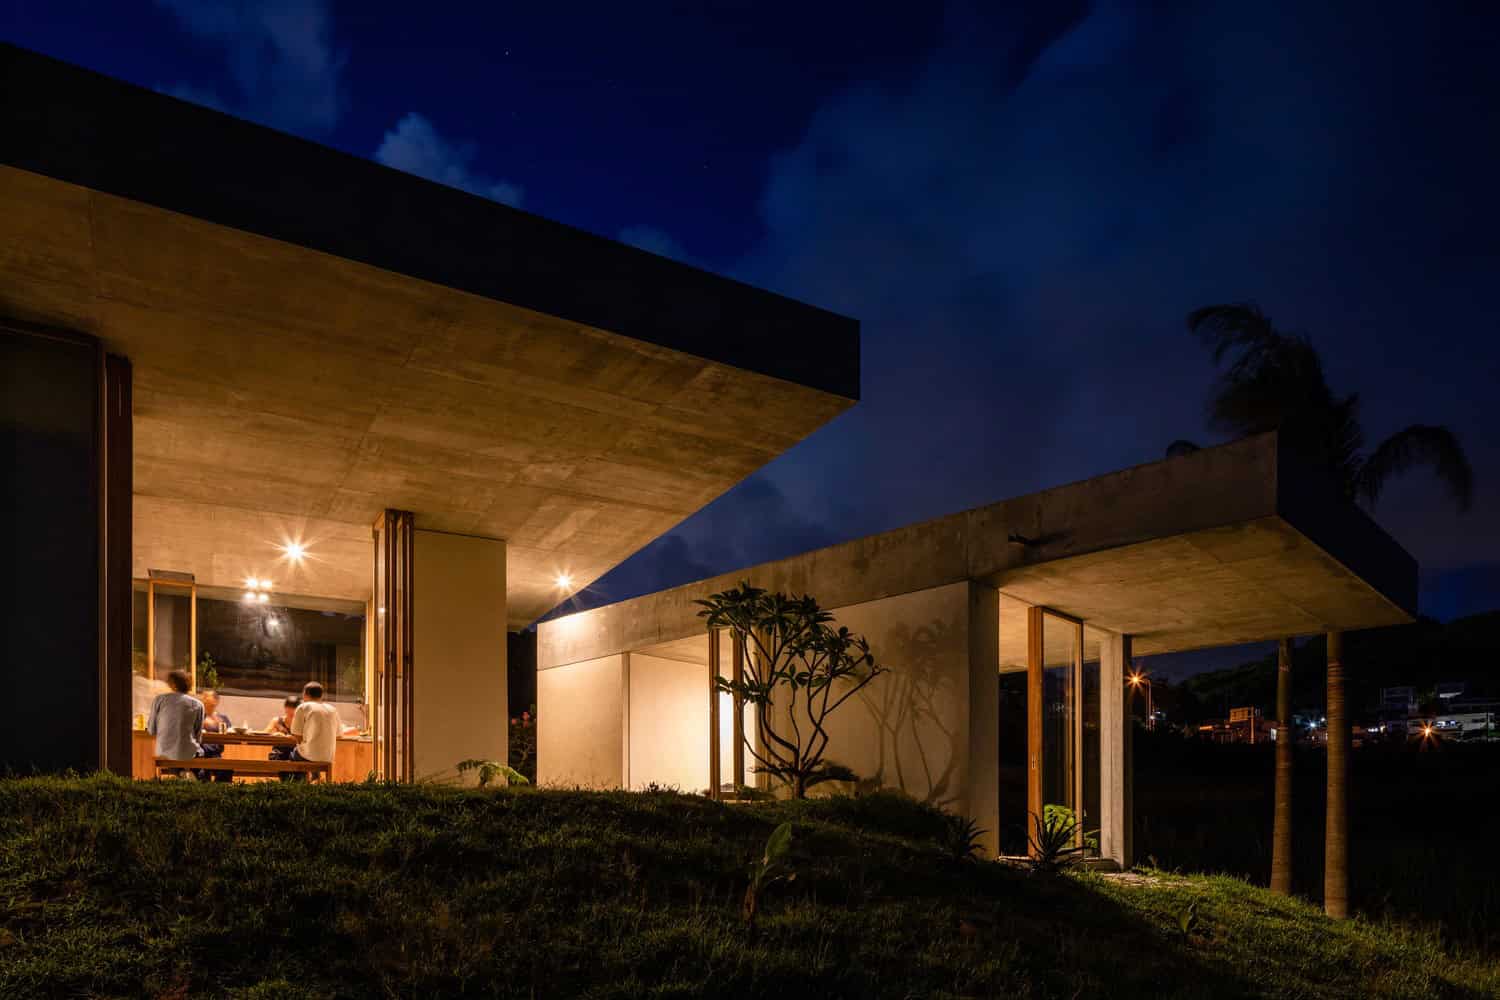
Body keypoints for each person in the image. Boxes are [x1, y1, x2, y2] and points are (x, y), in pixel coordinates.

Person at [147, 670, 203, 778]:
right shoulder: (198, 704)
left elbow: (151, 730)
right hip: (188, 752)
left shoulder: (159, 700)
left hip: (163, 752)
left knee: (174, 752)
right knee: (200, 753)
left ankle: (178, 777)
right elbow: (198, 737)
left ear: (172, 684)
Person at [290, 681, 339, 779]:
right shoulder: (332, 709)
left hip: (309, 755)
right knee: (307, 752)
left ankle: (299, 786)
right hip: (328, 757)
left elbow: (297, 735)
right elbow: (338, 734)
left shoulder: (303, 707)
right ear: (321, 695)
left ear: (305, 694)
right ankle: (315, 777)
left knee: (291, 754)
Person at [194, 689, 234, 783]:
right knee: (201, 774)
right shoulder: (197, 717)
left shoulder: (222, 718)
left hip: (216, 755)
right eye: (203, 697)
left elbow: (230, 732)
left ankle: (219, 794)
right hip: (199, 755)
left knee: (226, 770)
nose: (204, 699)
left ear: (216, 700)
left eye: (207, 697)